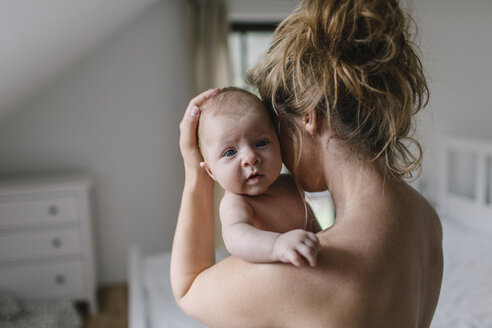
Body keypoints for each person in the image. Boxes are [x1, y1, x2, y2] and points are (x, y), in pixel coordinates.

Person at [171, 0, 443, 326]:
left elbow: (188, 287)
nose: (275, 153)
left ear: (307, 118)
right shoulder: (426, 219)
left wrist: (196, 173)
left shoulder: (301, 272)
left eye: (274, 130)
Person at [197, 87, 321, 267]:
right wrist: (277, 246)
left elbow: (310, 222)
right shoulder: (237, 202)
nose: (250, 157)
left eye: (261, 143)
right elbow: (236, 237)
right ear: (211, 172)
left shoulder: (289, 184)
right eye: (230, 152)